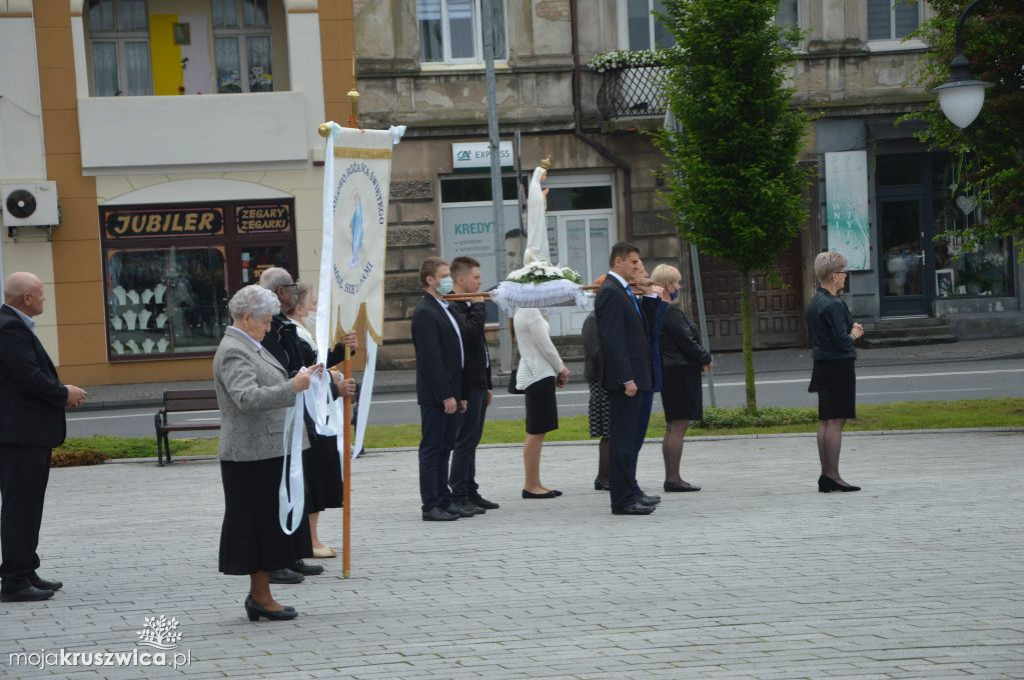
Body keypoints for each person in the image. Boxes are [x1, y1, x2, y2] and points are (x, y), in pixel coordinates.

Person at [214, 284, 327, 621]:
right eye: (265, 321)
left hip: (266, 450)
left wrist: (299, 378)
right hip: (250, 455)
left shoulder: (251, 344)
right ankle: (260, 597)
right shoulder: (235, 349)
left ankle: (261, 595)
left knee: (264, 526)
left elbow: (265, 386)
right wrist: (292, 387)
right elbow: (246, 398)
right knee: (256, 527)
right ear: (247, 317)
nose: (268, 328)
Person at [258, 268, 357, 579]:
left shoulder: (284, 326)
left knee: (299, 484)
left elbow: (313, 364)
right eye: (291, 287)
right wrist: (329, 386)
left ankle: (295, 551)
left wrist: (341, 350)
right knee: (286, 487)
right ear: (279, 293)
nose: (296, 291)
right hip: (283, 418)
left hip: (300, 416)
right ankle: (279, 556)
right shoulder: (270, 330)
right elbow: (289, 376)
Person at [0, 273, 87, 602]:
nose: (43, 299)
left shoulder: (13, 324)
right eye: (40, 294)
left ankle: (25, 568)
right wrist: (64, 393)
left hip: (26, 433)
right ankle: (14, 580)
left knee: (27, 505)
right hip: (20, 434)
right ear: (26, 299)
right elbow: (28, 378)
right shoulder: (9, 327)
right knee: (20, 507)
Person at [595, 243, 660, 515]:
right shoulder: (610, 291)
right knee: (622, 441)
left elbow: (646, 330)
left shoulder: (624, 290)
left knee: (632, 440)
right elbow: (613, 340)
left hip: (638, 375)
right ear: (618, 261)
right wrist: (626, 378)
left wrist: (649, 296)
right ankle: (621, 500)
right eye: (634, 262)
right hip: (626, 381)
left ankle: (631, 489)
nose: (638, 266)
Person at [287, 281, 344, 558]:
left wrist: (343, 349)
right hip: (308, 415)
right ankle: (310, 539)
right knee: (313, 476)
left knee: (318, 475)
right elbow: (312, 369)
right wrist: (334, 382)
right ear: (298, 307)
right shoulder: (294, 333)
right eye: (313, 302)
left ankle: (311, 537)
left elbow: (318, 362)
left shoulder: (302, 331)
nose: (316, 306)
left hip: (316, 413)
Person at [412, 257, 472, 521]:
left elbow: (456, 353)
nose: (449, 279)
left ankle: (445, 499)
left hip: (452, 393)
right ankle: (431, 503)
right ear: (430, 279)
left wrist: (460, 394)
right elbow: (431, 359)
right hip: (436, 395)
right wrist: (445, 394)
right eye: (444, 275)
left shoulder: (444, 306)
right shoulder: (425, 311)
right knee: (433, 449)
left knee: (446, 446)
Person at [806, 251, 865, 493]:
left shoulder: (815, 302)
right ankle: (833, 474)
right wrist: (855, 334)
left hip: (821, 364)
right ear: (833, 276)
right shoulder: (834, 304)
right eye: (843, 272)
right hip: (839, 365)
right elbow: (843, 340)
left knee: (825, 420)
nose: (845, 276)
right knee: (837, 421)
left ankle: (825, 474)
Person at [650, 264, 711, 492]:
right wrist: (705, 357)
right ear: (667, 285)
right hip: (680, 369)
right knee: (678, 425)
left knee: (672, 425)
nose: (679, 287)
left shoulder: (655, 309)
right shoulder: (669, 311)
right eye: (677, 283)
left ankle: (672, 476)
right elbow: (686, 340)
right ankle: (673, 478)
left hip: (670, 369)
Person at [447, 257, 499, 516]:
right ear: (461, 279)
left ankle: (470, 489)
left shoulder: (467, 304)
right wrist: (479, 306)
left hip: (478, 381)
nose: (480, 283)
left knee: (473, 439)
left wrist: (487, 384)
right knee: (464, 441)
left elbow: (481, 349)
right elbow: (468, 334)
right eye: (476, 278)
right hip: (465, 385)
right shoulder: (453, 306)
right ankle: (458, 492)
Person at [513, 307, 568, 498]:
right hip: (538, 374)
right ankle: (530, 484)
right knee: (536, 430)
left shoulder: (527, 310)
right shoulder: (529, 311)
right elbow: (546, 346)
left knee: (538, 429)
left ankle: (535, 482)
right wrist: (561, 367)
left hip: (539, 372)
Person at [582, 289, 611, 491]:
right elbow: (596, 353)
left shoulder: (604, 318)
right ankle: (604, 477)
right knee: (608, 431)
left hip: (608, 379)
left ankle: (607, 475)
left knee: (613, 431)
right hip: (601, 380)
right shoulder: (593, 319)